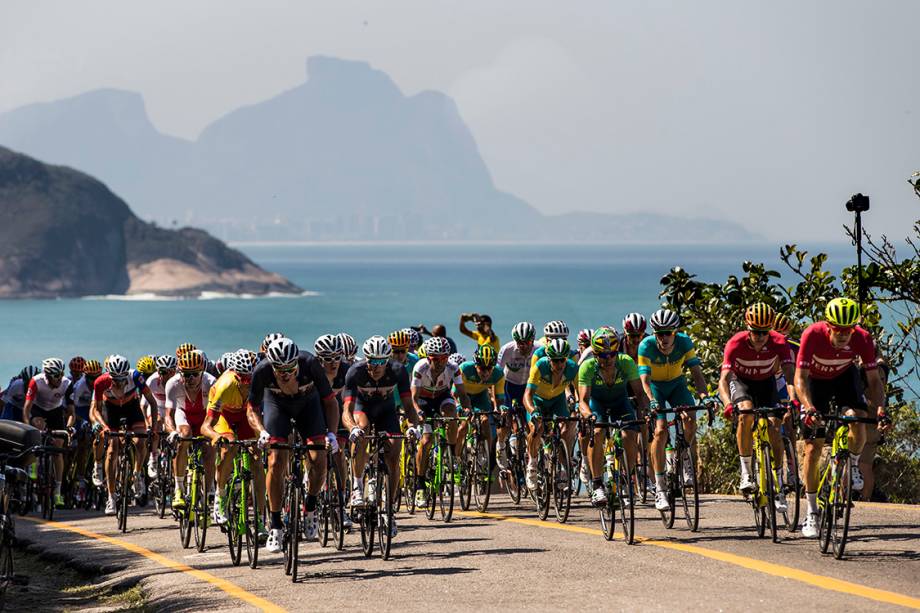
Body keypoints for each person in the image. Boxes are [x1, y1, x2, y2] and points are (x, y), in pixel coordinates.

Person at [794, 297, 888, 538]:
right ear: (828, 325)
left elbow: (874, 381)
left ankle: (853, 464)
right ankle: (812, 512)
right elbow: (800, 379)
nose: (845, 335)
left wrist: (880, 409)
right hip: (815, 383)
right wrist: (808, 407)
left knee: (857, 418)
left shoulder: (862, 338)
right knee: (813, 449)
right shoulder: (812, 335)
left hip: (844, 378)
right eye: (839, 330)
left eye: (849, 329)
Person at [247, 338, 340, 553]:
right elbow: (251, 409)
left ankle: (311, 506)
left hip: (309, 405)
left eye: (290, 368)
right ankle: (276, 525)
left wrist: (332, 434)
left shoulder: (310, 364)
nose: (285, 373)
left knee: (319, 459)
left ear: (296, 362)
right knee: (276, 461)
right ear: (271, 365)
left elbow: (330, 401)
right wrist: (261, 431)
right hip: (277, 405)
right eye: (279, 369)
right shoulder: (262, 371)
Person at [718, 303, 796, 511]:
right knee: (745, 414)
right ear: (748, 327)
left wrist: (794, 400)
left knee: (774, 428)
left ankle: (778, 483)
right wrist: (727, 404)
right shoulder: (736, 343)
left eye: (764, 332)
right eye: (755, 332)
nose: (760, 337)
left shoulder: (779, 342)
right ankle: (746, 473)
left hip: (766, 382)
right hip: (741, 381)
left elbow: (789, 375)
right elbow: (723, 380)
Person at [342, 336, 417, 537]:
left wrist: (412, 427)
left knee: (394, 453)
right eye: (371, 361)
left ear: (387, 359)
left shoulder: (398, 371)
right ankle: (357, 487)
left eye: (380, 362)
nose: (374, 366)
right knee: (362, 431)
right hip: (363, 409)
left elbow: (409, 406)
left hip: (386, 412)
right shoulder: (355, 372)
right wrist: (352, 429)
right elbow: (346, 409)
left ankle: (389, 509)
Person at [638, 309, 710, 512]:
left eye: (668, 332)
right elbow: (644, 379)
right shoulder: (646, 345)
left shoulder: (685, 342)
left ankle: (684, 454)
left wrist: (705, 397)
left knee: (690, 419)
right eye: (659, 333)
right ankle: (660, 488)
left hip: (677, 385)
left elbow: (697, 373)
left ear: (675, 332)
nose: (664, 337)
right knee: (660, 431)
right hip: (656, 388)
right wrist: (651, 400)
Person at [577, 327, 647, 505]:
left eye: (612, 354)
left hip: (620, 402)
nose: (608, 359)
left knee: (629, 434)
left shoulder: (626, 362)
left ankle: (626, 478)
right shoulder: (587, 366)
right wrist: (589, 416)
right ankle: (597, 484)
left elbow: (640, 394)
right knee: (598, 432)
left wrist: (646, 412)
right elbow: (583, 401)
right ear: (594, 353)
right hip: (597, 404)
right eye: (602, 355)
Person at [201, 349, 265, 534]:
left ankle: (260, 519)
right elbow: (206, 426)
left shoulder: (259, 382)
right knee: (228, 447)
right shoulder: (225, 385)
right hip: (225, 416)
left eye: (249, 379)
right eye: (242, 379)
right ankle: (220, 499)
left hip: (246, 416)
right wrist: (216, 436)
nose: (246, 383)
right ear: (235, 375)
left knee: (257, 461)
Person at [90, 355, 156, 515]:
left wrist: (153, 428)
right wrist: (104, 427)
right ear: (109, 375)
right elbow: (96, 410)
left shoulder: (135, 377)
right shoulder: (101, 382)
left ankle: (137, 474)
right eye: (115, 379)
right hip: (110, 410)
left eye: (122, 379)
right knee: (112, 449)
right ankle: (111, 497)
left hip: (131, 407)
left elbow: (152, 402)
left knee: (141, 441)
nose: (119, 382)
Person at [412, 336, 471, 507]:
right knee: (427, 440)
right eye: (436, 359)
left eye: (444, 358)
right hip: (423, 400)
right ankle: (420, 485)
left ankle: (452, 457)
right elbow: (413, 398)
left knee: (452, 415)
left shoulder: (453, 368)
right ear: (428, 358)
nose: (440, 362)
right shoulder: (420, 368)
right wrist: (418, 413)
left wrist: (467, 408)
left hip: (442, 397)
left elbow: (462, 394)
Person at [523, 338, 579, 490]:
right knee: (537, 429)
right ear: (549, 359)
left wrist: (578, 407)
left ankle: (563, 464)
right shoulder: (540, 366)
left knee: (567, 428)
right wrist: (533, 411)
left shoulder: (572, 368)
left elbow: (580, 393)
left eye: (562, 360)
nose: (559, 365)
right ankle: (532, 465)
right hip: (538, 400)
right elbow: (527, 395)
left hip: (557, 401)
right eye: (555, 361)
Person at [165, 350, 217, 511]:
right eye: (186, 375)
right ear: (180, 374)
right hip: (184, 415)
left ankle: (209, 491)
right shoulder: (173, 384)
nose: (191, 378)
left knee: (209, 449)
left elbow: (218, 413)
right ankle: (179, 490)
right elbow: (168, 415)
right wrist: (172, 432)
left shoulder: (211, 382)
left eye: (195, 374)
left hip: (204, 417)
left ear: (202, 372)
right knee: (184, 437)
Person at [23, 358, 74, 508]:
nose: (60, 378)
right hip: (38, 410)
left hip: (56, 412)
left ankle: (57, 491)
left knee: (58, 449)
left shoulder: (66, 384)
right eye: (56, 375)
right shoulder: (36, 381)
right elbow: (26, 408)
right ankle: (34, 462)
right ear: (48, 375)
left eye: (61, 374)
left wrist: (69, 427)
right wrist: (28, 428)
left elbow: (71, 412)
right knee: (38, 426)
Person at [456, 345, 506, 473]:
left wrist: (498, 409)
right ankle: (456, 459)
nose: (486, 372)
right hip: (464, 396)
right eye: (482, 368)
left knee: (485, 421)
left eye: (489, 368)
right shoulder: (465, 369)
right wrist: (460, 407)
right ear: (475, 365)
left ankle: (487, 458)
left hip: (480, 397)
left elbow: (499, 399)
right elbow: (455, 394)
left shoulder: (498, 374)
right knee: (462, 427)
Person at [496, 322, 536, 470]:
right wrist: (498, 402)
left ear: (533, 340)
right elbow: (497, 375)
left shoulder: (539, 349)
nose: (524, 346)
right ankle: (500, 445)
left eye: (527, 342)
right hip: (510, 386)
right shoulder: (507, 349)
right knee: (506, 419)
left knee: (531, 424)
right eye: (520, 343)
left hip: (528, 387)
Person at [142, 355, 176, 478]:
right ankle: (154, 458)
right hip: (156, 407)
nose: (166, 375)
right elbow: (143, 406)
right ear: (158, 371)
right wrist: (147, 424)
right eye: (163, 372)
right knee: (156, 423)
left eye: (170, 372)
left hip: (171, 409)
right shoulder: (151, 380)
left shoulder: (177, 381)